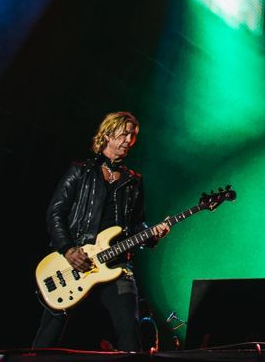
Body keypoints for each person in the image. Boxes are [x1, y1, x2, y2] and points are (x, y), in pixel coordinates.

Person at [32, 111, 170, 350]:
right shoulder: (80, 171)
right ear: (108, 134)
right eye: (124, 134)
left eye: (133, 136)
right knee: (49, 332)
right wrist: (68, 249)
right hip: (75, 261)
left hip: (117, 264)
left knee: (130, 328)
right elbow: (55, 213)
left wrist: (152, 234)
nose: (129, 140)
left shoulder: (134, 181)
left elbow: (137, 225)